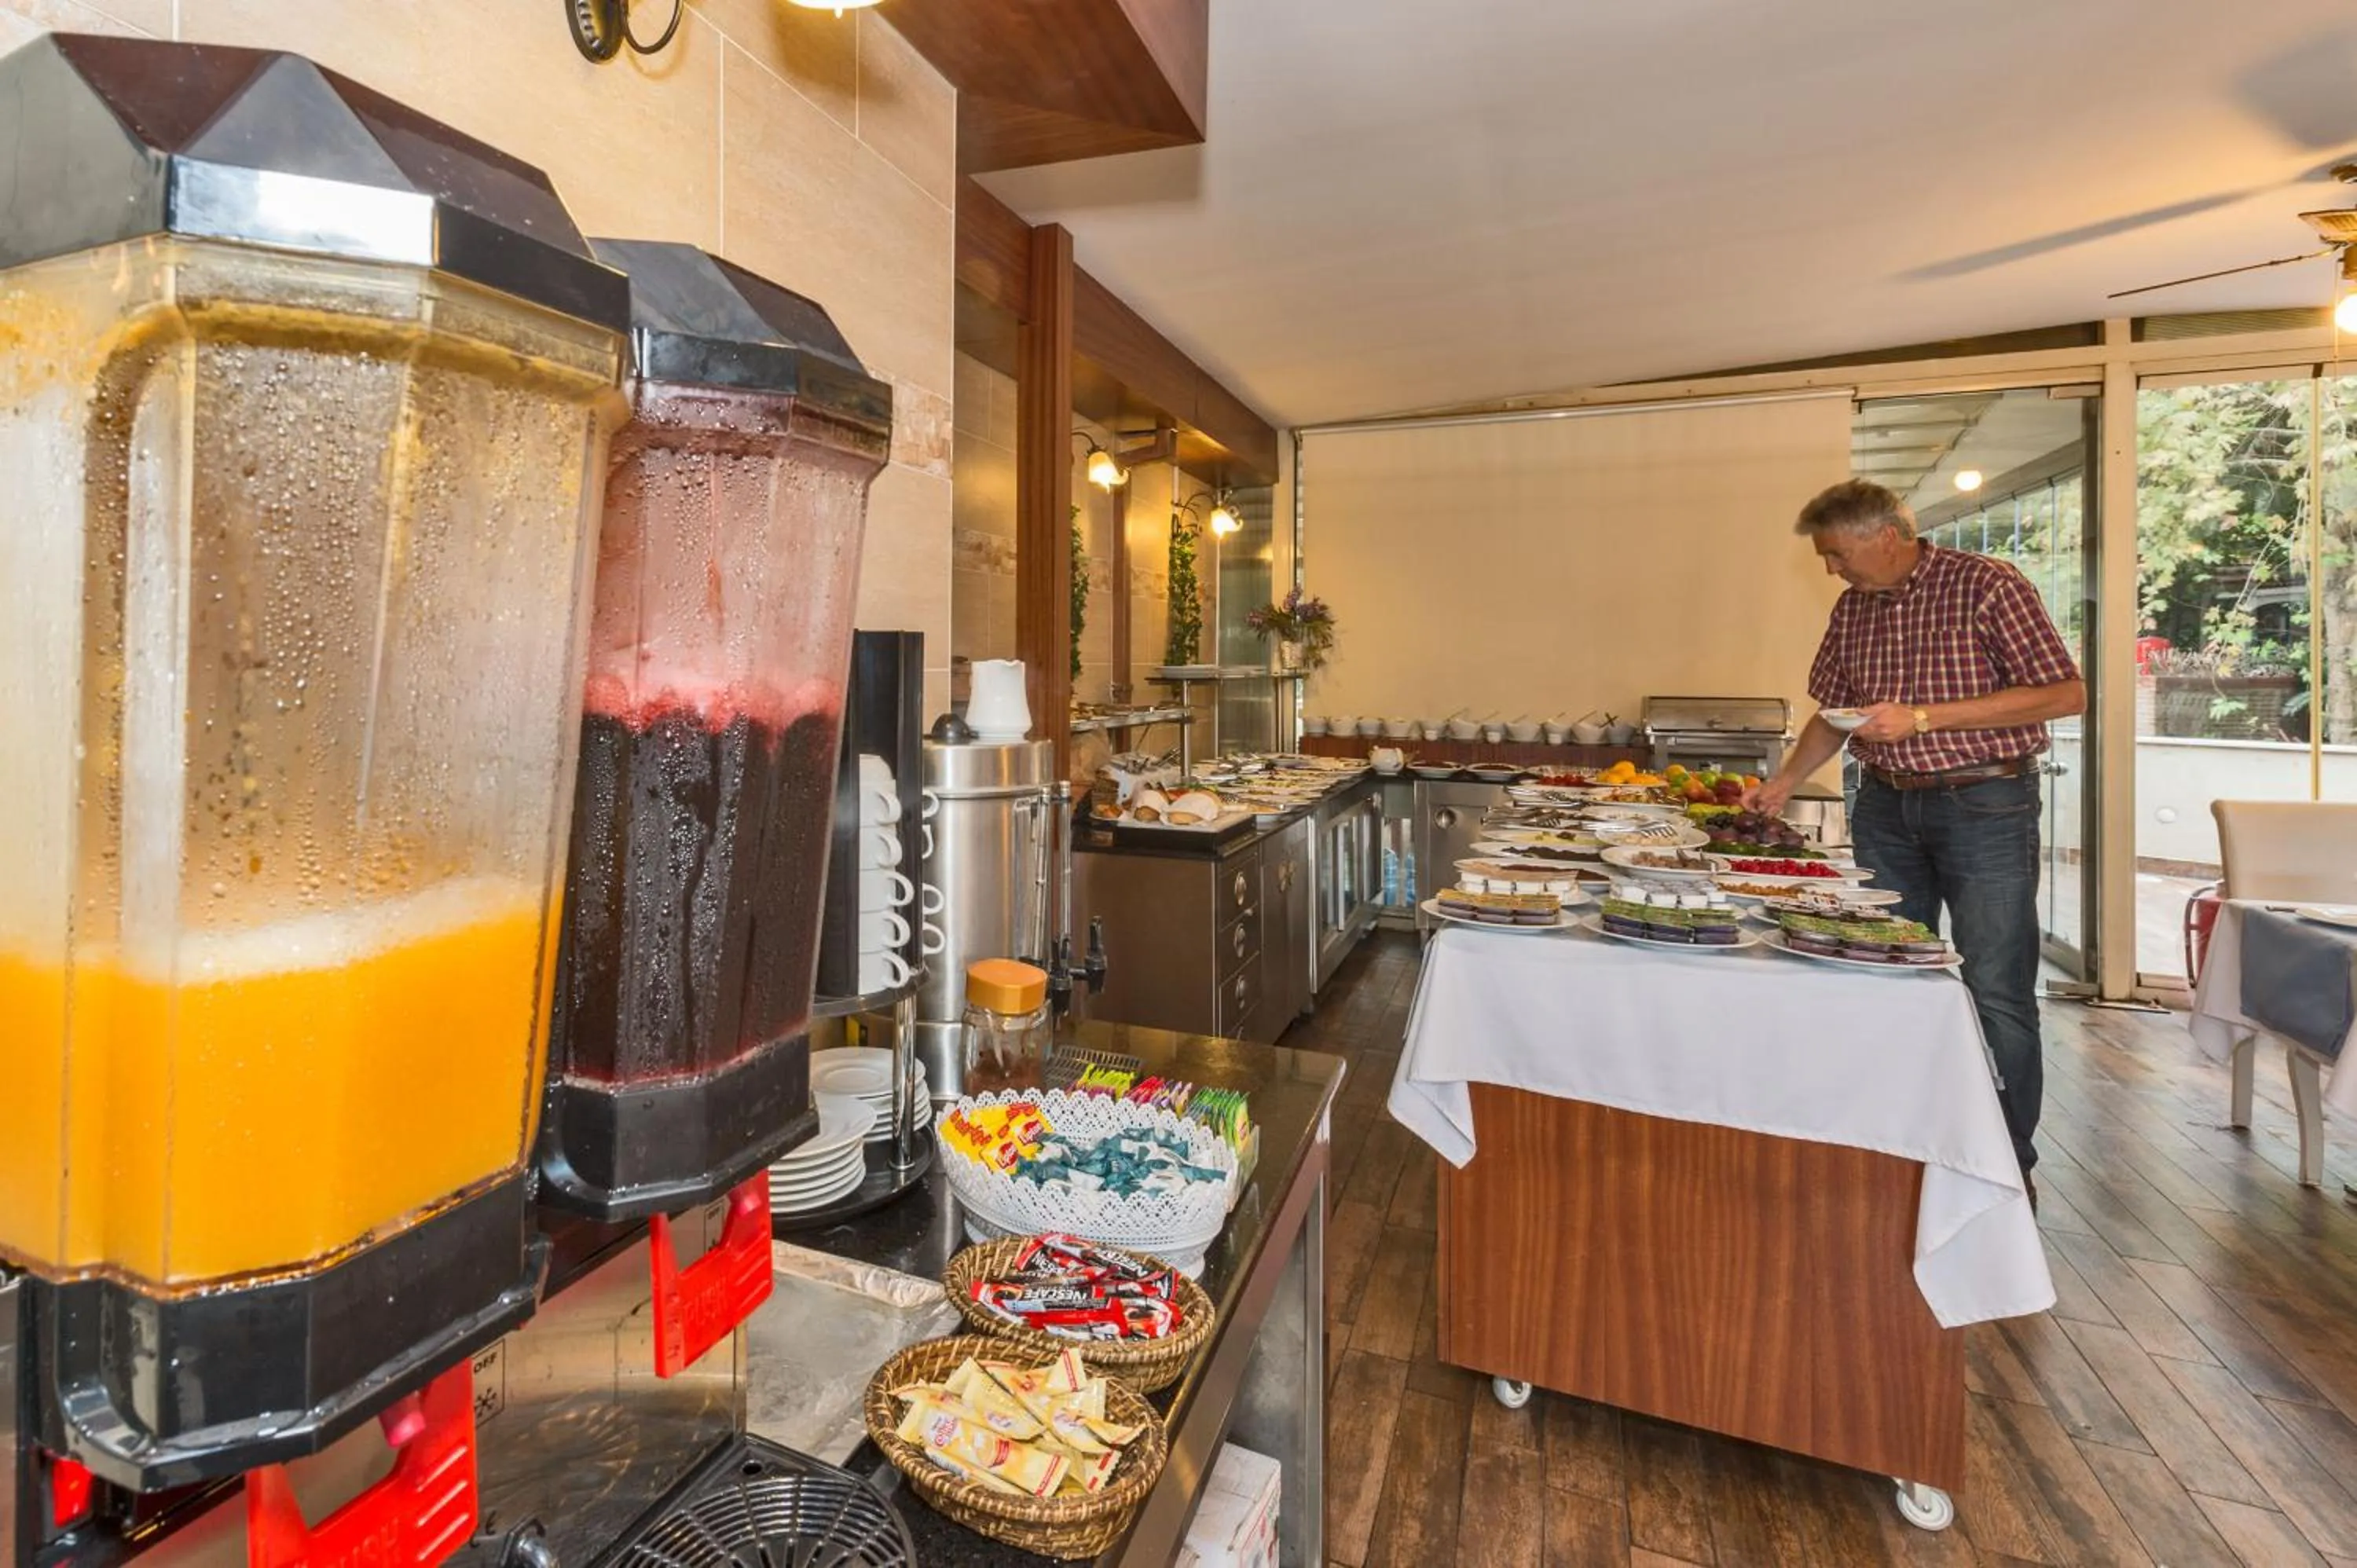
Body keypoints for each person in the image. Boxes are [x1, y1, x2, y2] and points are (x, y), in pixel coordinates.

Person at [1750, 478, 2084, 1194]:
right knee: (1886, 975)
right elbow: (1831, 713)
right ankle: (1901, 1146)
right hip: (1884, 809)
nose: (1831, 569)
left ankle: (2002, 1167)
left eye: (1837, 554)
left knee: (1995, 987)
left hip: (1987, 803)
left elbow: (2064, 693)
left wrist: (1925, 718)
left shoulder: (1988, 585)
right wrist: (1783, 781)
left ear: (1886, 537)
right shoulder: (1852, 610)